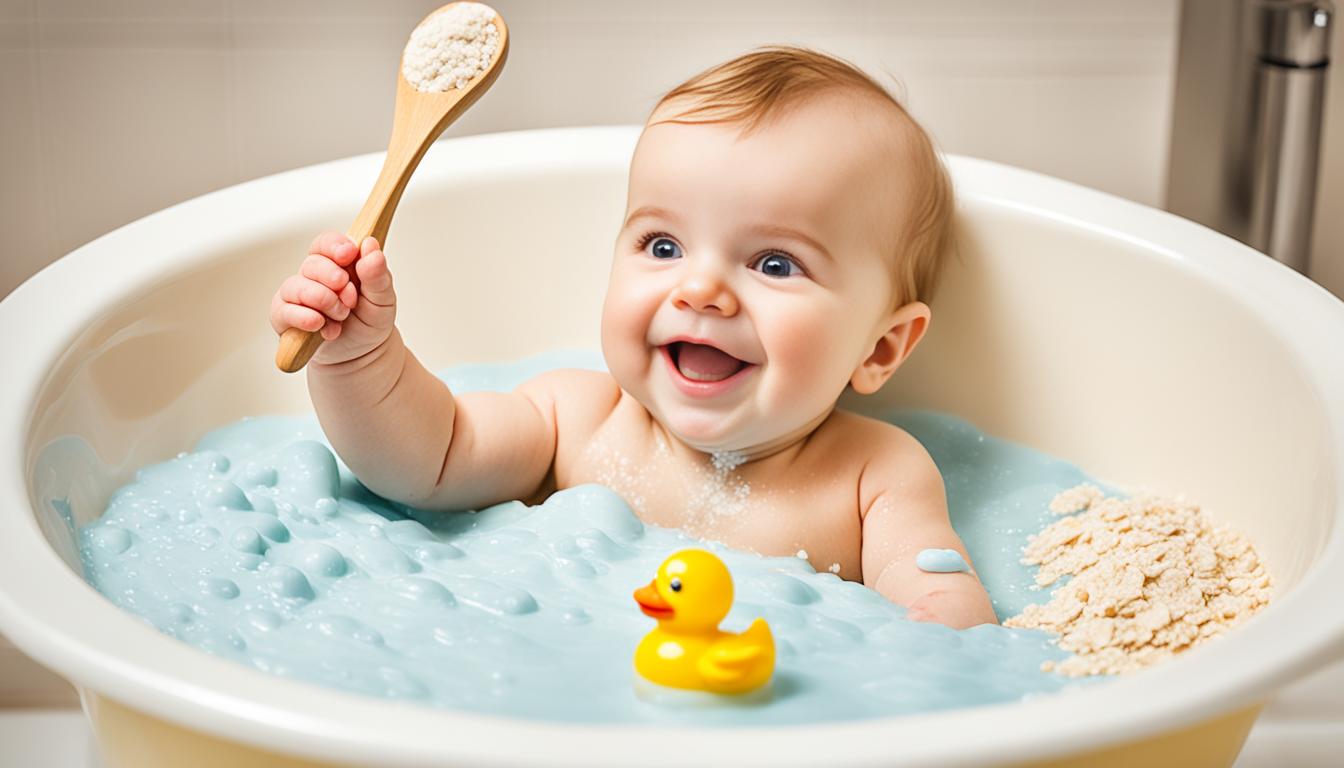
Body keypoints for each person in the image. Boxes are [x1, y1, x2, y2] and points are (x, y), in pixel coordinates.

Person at [269, 45, 997, 629]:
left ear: (879, 349)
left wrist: (946, 623)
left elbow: (939, 612)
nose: (700, 289)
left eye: (775, 263)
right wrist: (360, 354)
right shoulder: (574, 420)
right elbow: (423, 460)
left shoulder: (875, 477)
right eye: (662, 246)